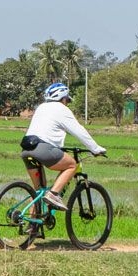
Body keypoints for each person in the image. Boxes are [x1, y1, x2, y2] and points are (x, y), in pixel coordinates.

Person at [20, 82, 106, 211]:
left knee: (38, 193)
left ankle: (30, 222)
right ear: (63, 98)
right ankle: (54, 194)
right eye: (67, 100)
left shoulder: (41, 107)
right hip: (43, 149)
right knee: (72, 165)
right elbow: (79, 131)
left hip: (27, 149)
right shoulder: (61, 109)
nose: (67, 103)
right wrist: (95, 149)